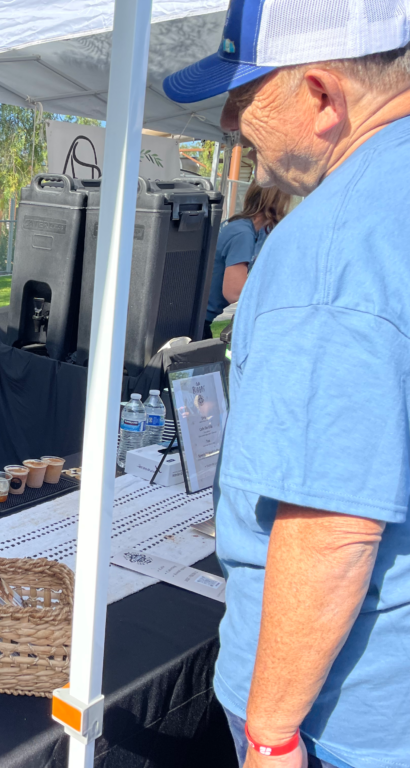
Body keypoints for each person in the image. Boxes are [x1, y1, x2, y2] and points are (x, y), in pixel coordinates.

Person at [164, 0, 410, 766]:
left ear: (321, 95)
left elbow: (330, 522)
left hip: (345, 721)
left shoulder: (333, 239)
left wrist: (270, 737)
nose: (232, 118)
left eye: (248, 93)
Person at [203, 181, 290, 339]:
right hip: (197, 322)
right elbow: (234, 292)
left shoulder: (240, 226)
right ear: (278, 202)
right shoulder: (243, 234)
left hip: (196, 318)